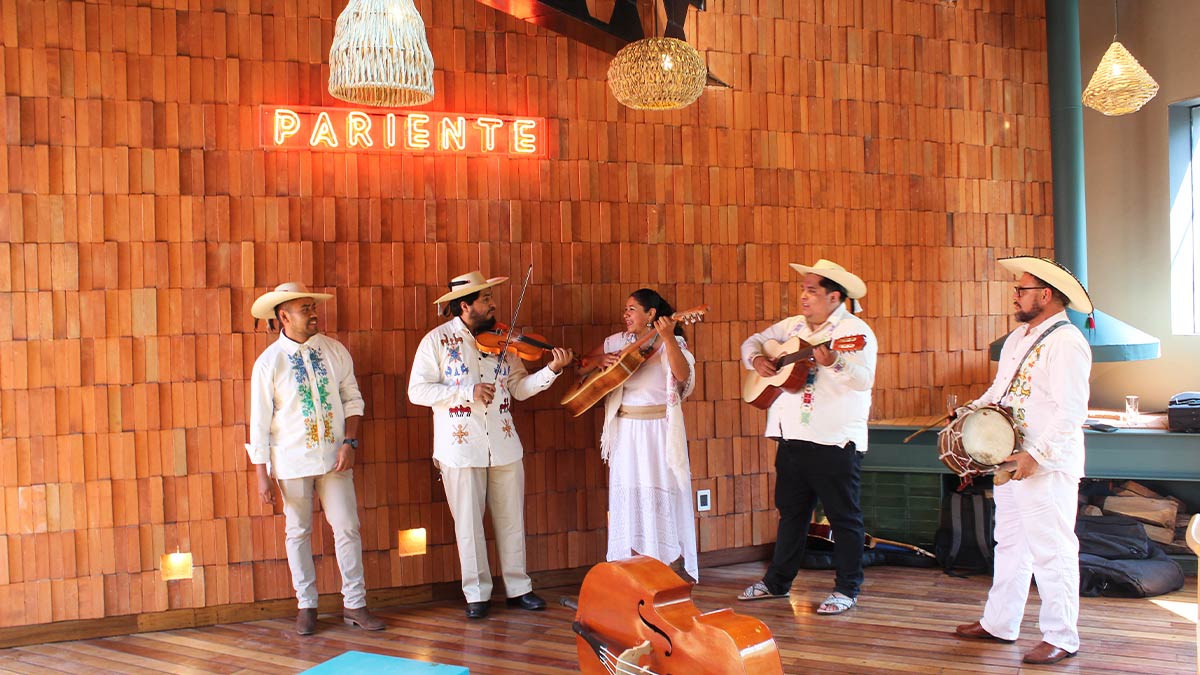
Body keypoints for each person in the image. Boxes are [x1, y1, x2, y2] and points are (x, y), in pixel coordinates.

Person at [408, 271, 575, 619]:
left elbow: (519, 388)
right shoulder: (436, 342)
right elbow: (417, 391)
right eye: (486, 299)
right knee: (467, 524)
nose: (493, 304)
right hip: (460, 447)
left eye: (491, 298)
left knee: (511, 519)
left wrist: (551, 372)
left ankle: (518, 588)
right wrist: (465, 392)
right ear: (465, 305)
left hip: (503, 442)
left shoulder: (504, 341)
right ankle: (477, 594)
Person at [954, 256, 1093, 666]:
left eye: (1021, 289)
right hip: (1010, 460)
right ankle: (1000, 623)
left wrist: (1036, 454)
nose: (1015, 296)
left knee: (1053, 549)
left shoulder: (1067, 342)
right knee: (1011, 542)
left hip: (1045, 464)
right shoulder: (1018, 338)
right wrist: (966, 414)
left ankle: (1062, 636)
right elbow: (999, 392)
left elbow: (1072, 413)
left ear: (1046, 295)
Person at [736, 259, 877, 615]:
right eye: (804, 288)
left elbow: (863, 380)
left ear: (834, 296)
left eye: (812, 290)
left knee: (844, 518)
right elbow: (752, 342)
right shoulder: (792, 326)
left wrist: (835, 363)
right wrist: (756, 360)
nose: (804, 296)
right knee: (792, 515)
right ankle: (777, 583)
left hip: (834, 440)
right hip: (791, 436)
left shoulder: (854, 331)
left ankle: (847, 589)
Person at [245, 282, 385, 636]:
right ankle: (306, 605)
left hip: (336, 457)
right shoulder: (268, 363)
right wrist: (261, 475)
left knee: (348, 527)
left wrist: (349, 443)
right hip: (291, 462)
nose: (313, 313)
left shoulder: (335, 351)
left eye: (312, 307)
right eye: (305, 308)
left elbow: (353, 400)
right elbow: (259, 423)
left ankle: (355, 604)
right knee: (298, 532)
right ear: (283, 316)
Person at [580, 289, 698, 582]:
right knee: (629, 496)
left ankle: (667, 566)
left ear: (651, 315)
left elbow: (682, 376)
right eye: (626, 309)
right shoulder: (616, 342)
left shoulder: (673, 341)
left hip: (659, 431)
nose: (626, 315)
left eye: (632, 309)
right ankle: (631, 569)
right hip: (626, 432)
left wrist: (669, 338)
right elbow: (582, 366)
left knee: (661, 495)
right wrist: (601, 361)